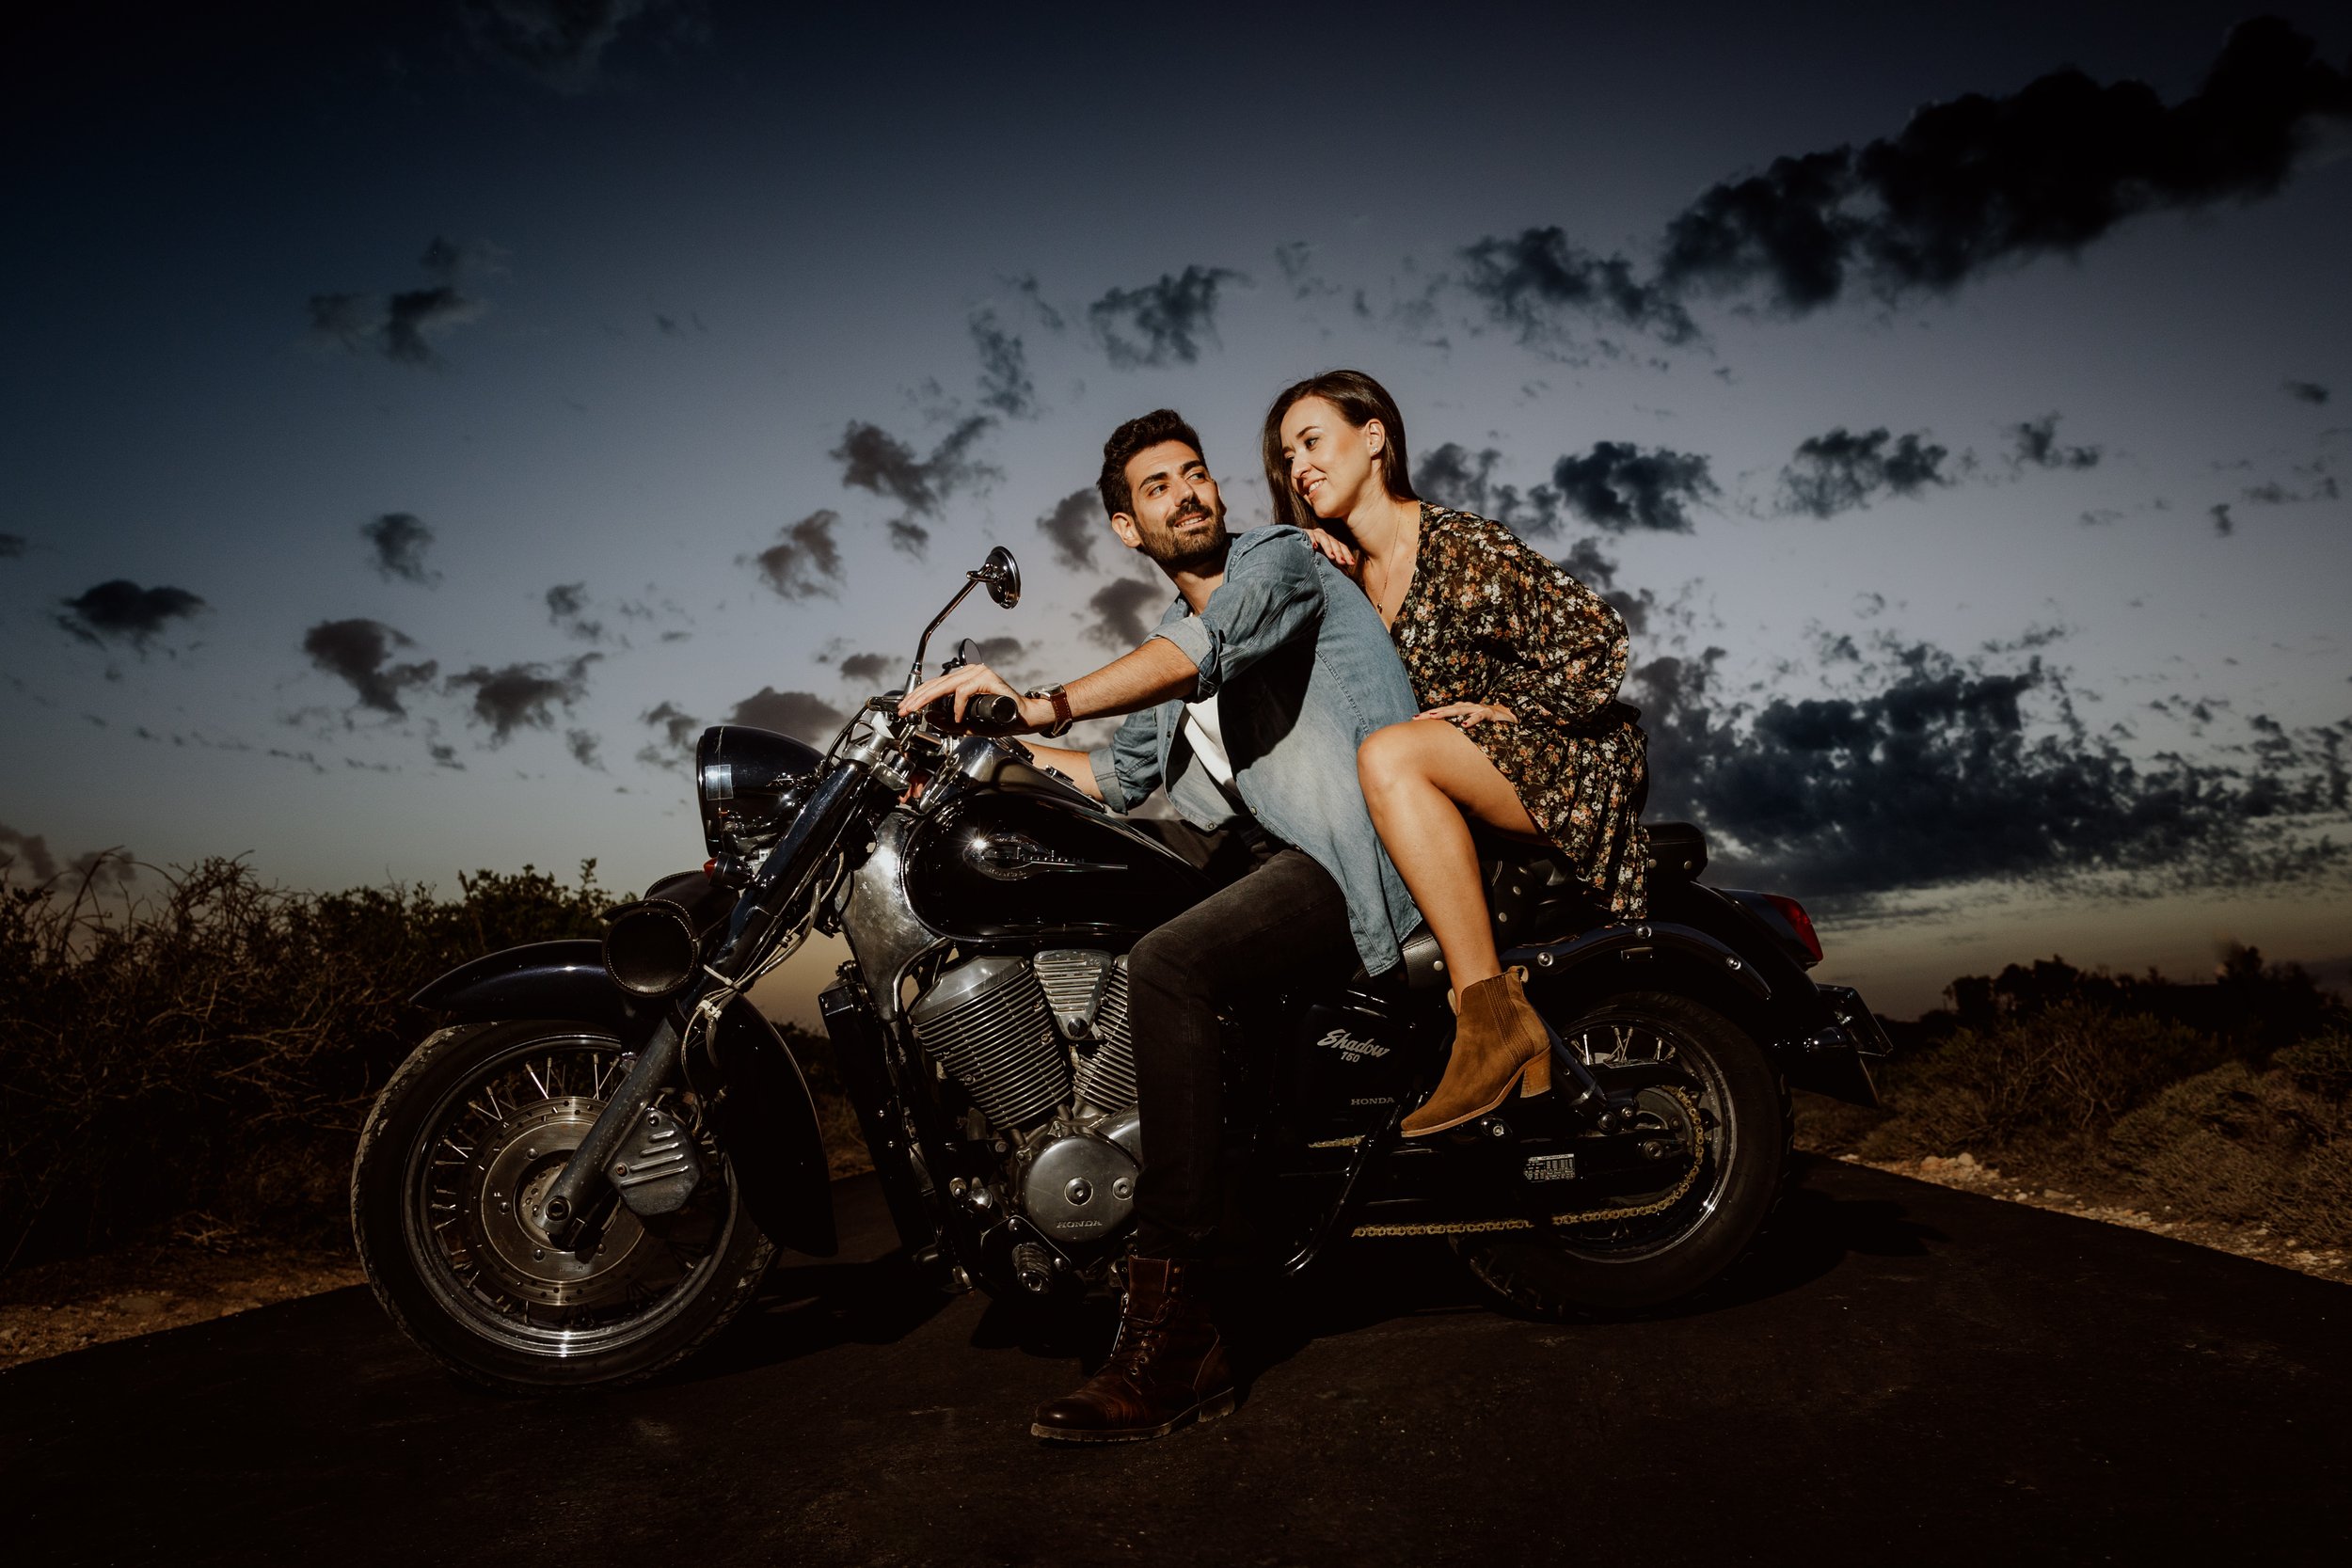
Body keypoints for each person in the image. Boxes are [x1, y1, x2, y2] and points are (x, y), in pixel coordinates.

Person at [900, 407, 1423, 1442]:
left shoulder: (1278, 561)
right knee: (1102, 928)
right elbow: (1116, 776)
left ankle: (1179, 1336)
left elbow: (1202, 649)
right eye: (1157, 487)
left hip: (1351, 858)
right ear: (1127, 529)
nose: (1188, 492)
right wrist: (978, 746)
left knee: (1168, 964)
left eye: (1195, 474)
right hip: (1264, 866)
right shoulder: (1164, 686)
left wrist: (1038, 704)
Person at [1262, 369, 1648, 1137]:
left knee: (1390, 755)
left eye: (1313, 441)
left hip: (1562, 762)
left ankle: (1491, 1017)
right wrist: (1296, 559)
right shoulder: (1352, 580)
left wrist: (1507, 709)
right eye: (1287, 457)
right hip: (1453, 773)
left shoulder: (1457, 543)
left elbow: (1597, 638)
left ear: (1374, 437)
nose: (1299, 466)